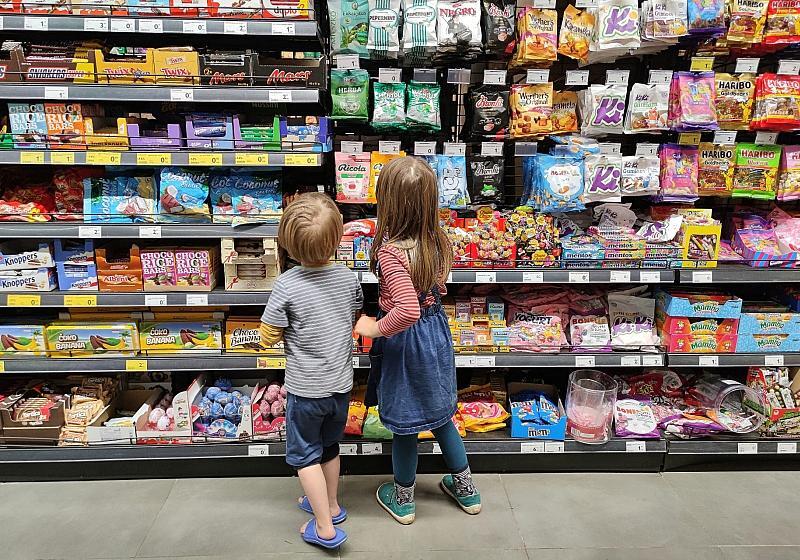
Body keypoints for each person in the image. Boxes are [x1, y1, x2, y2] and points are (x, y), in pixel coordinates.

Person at [355, 156, 481, 525]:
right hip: (435, 335)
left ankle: (404, 499)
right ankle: (467, 491)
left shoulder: (391, 253)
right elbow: (438, 288)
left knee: (406, 425)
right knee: (442, 416)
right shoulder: (438, 240)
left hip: (405, 345)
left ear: (388, 202)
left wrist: (373, 328)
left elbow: (407, 310)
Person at [260, 192, 363, 549]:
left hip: (306, 391)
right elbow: (353, 313)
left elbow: (269, 335)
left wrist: (274, 335)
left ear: (288, 244)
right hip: (340, 386)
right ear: (337, 239)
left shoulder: (287, 284)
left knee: (305, 457)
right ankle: (331, 505)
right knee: (330, 447)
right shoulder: (348, 278)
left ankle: (324, 528)